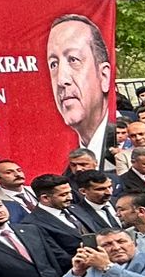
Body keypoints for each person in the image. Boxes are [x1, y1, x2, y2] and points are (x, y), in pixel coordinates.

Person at [45, 12, 114, 165]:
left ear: (104, 76)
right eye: (54, 64)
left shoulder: (123, 142)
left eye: (73, 60)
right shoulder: (66, 169)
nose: (61, 80)